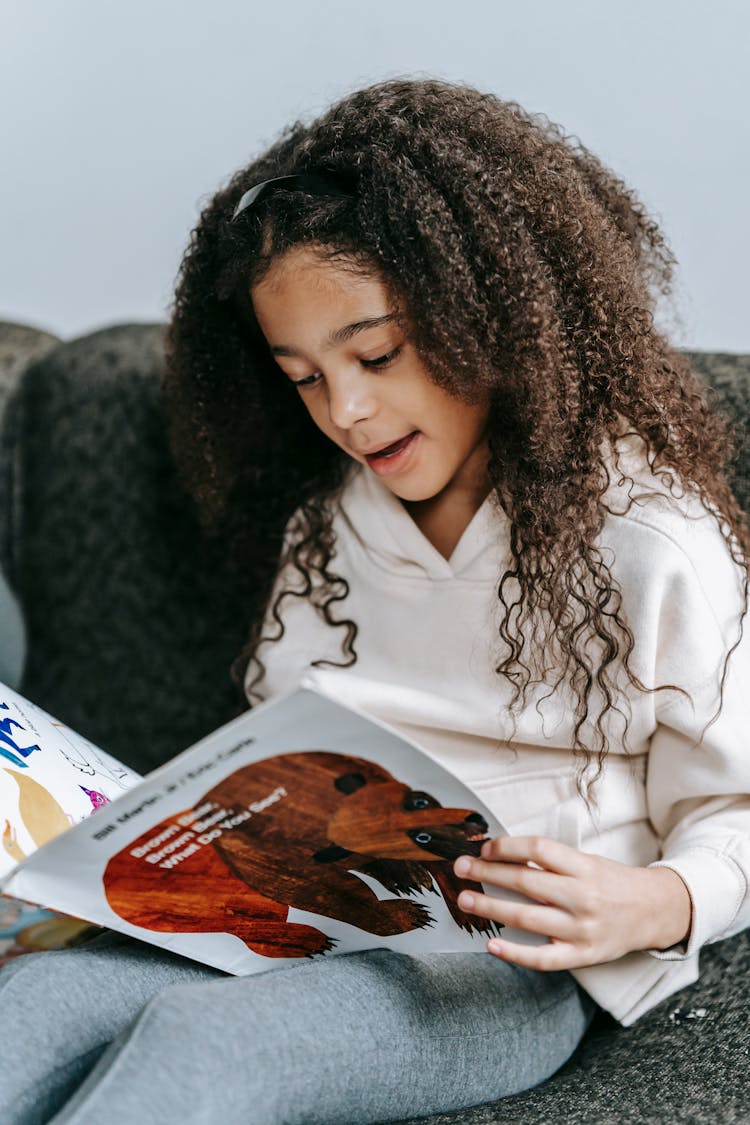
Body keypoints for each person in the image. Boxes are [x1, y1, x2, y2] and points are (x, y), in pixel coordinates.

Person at [2, 77, 749, 1125]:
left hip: (505, 960)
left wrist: (661, 901)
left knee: (207, 1049)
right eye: (304, 377)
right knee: (29, 1009)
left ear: (487, 313)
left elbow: (734, 807)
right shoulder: (329, 529)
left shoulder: (651, 539)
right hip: (310, 914)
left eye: (377, 354)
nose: (346, 411)